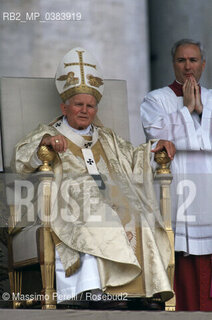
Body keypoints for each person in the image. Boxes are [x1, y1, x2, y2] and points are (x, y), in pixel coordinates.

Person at [12, 47, 175, 309]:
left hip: (111, 197)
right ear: (64, 106)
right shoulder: (49, 133)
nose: (85, 110)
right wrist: (45, 145)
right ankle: (92, 291)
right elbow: (21, 159)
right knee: (94, 210)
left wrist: (155, 147)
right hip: (66, 202)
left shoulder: (107, 137)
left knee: (138, 212)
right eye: (79, 104)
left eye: (90, 105)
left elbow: (134, 157)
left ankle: (139, 292)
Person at [140, 38, 212, 311]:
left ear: (202, 64)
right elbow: (156, 138)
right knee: (183, 253)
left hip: (209, 186)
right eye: (181, 60)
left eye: (193, 60)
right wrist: (186, 110)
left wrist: (201, 110)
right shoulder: (156, 99)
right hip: (181, 188)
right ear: (173, 64)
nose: (188, 66)